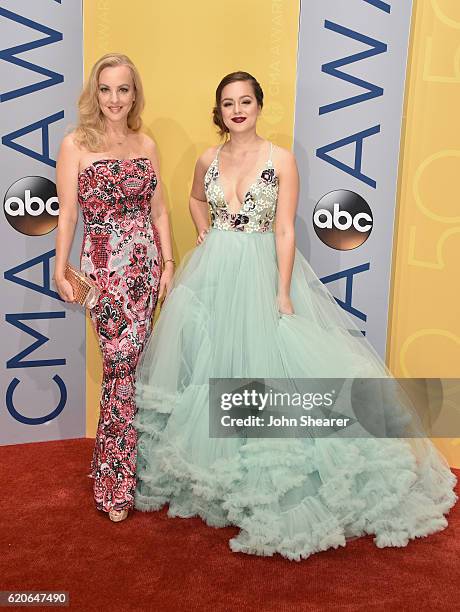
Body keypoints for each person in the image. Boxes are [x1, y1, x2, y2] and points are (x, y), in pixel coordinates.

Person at [133, 71, 457, 559]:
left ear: (259, 106)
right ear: (218, 111)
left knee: (267, 369)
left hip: (263, 269)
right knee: (211, 365)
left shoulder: (279, 160)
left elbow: (285, 230)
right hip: (215, 271)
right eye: (228, 103)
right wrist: (206, 232)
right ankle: (220, 471)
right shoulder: (208, 158)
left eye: (245, 101)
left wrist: (282, 292)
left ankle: (273, 472)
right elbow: (196, 198)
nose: (237, 109)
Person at [53, 53, 174, 522]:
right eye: (106, 89)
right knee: (120, 367)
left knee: (135, 368)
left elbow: (160, 210)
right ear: (94, 93)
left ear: (134, 93)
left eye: (123, 89)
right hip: (103, 269)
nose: (115, 99)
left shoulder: (146, 143)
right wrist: (60, 266)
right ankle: (114, 480)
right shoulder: (75, 144)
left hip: (143, 268)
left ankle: (130, 468)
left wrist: (166, 262)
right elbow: (67, 214)